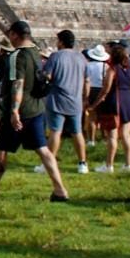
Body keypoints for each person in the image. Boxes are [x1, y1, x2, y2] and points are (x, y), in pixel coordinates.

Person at [0, 15, 69, 202]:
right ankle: (60, 190)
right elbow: (15, 34)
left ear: (15, 36)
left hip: (18, 111)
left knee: (1, 149)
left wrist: (15, 111)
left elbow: (18, 83)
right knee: (43, 150)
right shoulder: (34, 50)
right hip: (36, 109)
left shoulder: (17, 56)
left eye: (11, 35)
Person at [41, 30, 88, 175]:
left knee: (55, 131)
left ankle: (49, 162)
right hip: (75, 100)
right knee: (77, 132)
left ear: (61, 41)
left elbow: (47, 75)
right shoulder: (81, 57)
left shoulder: (56, 56)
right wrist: (85, 98)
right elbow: (87, 80)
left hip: (57, 98)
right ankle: (82, 163)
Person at [88, 45, 130, 172]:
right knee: (126, 135)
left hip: (115, 102)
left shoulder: (112, 70)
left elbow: (105, 90)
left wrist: (94, 105)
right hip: (128, 102)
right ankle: (128, 164)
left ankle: (109, 165)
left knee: (112, 135)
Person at [84, 45, 109, 147]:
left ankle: (91, 139)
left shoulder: (88, 65)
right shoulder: (105, 66)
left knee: (92, 116)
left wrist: (85, 96)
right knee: (103, 116)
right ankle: (104, 137)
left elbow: (86, 80)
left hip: (91, 90)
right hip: (102, 90)